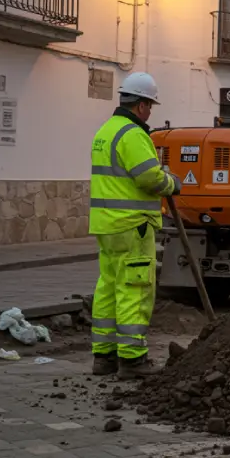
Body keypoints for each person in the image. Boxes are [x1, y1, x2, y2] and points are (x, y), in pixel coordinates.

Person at [88, 72, 181, 379]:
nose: (151, 111)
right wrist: (172, 183)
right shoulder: (133, 134)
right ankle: (132, 360)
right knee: (135, 288)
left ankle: (103, 357)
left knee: (108, 287)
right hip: (132, 226)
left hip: (106, 225)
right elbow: (149, 177)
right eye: (150, 106)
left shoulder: (105, 131)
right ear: (141, 105)